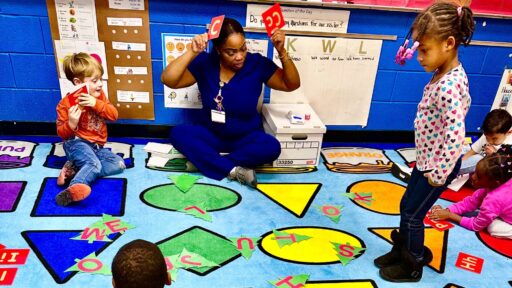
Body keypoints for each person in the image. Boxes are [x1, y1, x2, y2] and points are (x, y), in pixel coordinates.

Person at [374, 2, 475, 282]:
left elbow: (456, 135)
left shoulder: (449, 85)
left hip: (438, 168)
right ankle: (403, 248)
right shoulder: (444, 73)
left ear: (449, 43)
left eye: (424, 49)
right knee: (407, 206)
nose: (419, 56)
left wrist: (439, 173)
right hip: (428, 161)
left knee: (414, 215)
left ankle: (413, 263)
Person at [161, 18, 300, 188]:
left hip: (246, 136)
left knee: (271, 147)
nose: (239, 56)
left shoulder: (257, 64)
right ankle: (233, 170)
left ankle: (209, 163)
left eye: (243, 48)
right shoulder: (205, 63)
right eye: (231, 52)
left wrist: (282, 51)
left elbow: (291, 84)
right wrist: (192, 52)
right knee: (178, 134)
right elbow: (169, 80)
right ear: (218, 49)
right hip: (211, 134)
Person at [55, 52, 125, 206]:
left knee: (119, 164)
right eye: (94, 81)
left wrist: (96, 103)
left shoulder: (99, 97)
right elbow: (62, 133)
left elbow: (113, 115)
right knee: (94, 165)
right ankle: (74, 187)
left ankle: (73, 167)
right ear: (78, 82)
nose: (100, 84)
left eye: (100, 79)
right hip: (76, 143)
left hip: (96, 147)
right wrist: (72, 123)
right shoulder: (65, 104)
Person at [430, 148, 512, 239]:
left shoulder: (495, 198)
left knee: (493, 227)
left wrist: (450, 215)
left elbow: (476, 226)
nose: (472, 177)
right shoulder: (499, 181)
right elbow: (470, 202)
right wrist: (448, 210)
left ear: (495, 182)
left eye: (479, 177)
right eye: (474, 172)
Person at [459, 109, 512, 175]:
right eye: (487, 137)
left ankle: (451, 170)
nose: (489, 141)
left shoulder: (509, 145)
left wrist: (493, 155)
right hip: (478, 157)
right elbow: (472, 151)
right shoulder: (487, 134)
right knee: (461, 149)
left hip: (491, 167)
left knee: (478, 158)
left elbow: (505, 168)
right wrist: (462, 160)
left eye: (494, 139)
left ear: (509, 132)